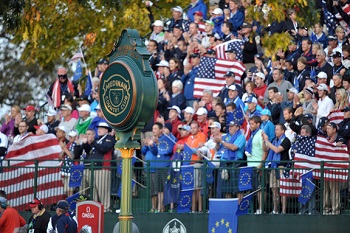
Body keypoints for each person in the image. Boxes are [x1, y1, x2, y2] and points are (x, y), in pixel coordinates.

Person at [262, 124, 291, 214]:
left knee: (282, 189)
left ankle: (283, 210)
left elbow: (277, 150)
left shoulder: (286, 140)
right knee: (274, 189)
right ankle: (275, 209)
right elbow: (265, 149)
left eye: (277, 129)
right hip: (273, 167)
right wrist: (264, 140)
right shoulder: (274, 140)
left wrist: (267, 141)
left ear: (282, 131)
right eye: (275, 130)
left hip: (282, 167)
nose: (275, 131)